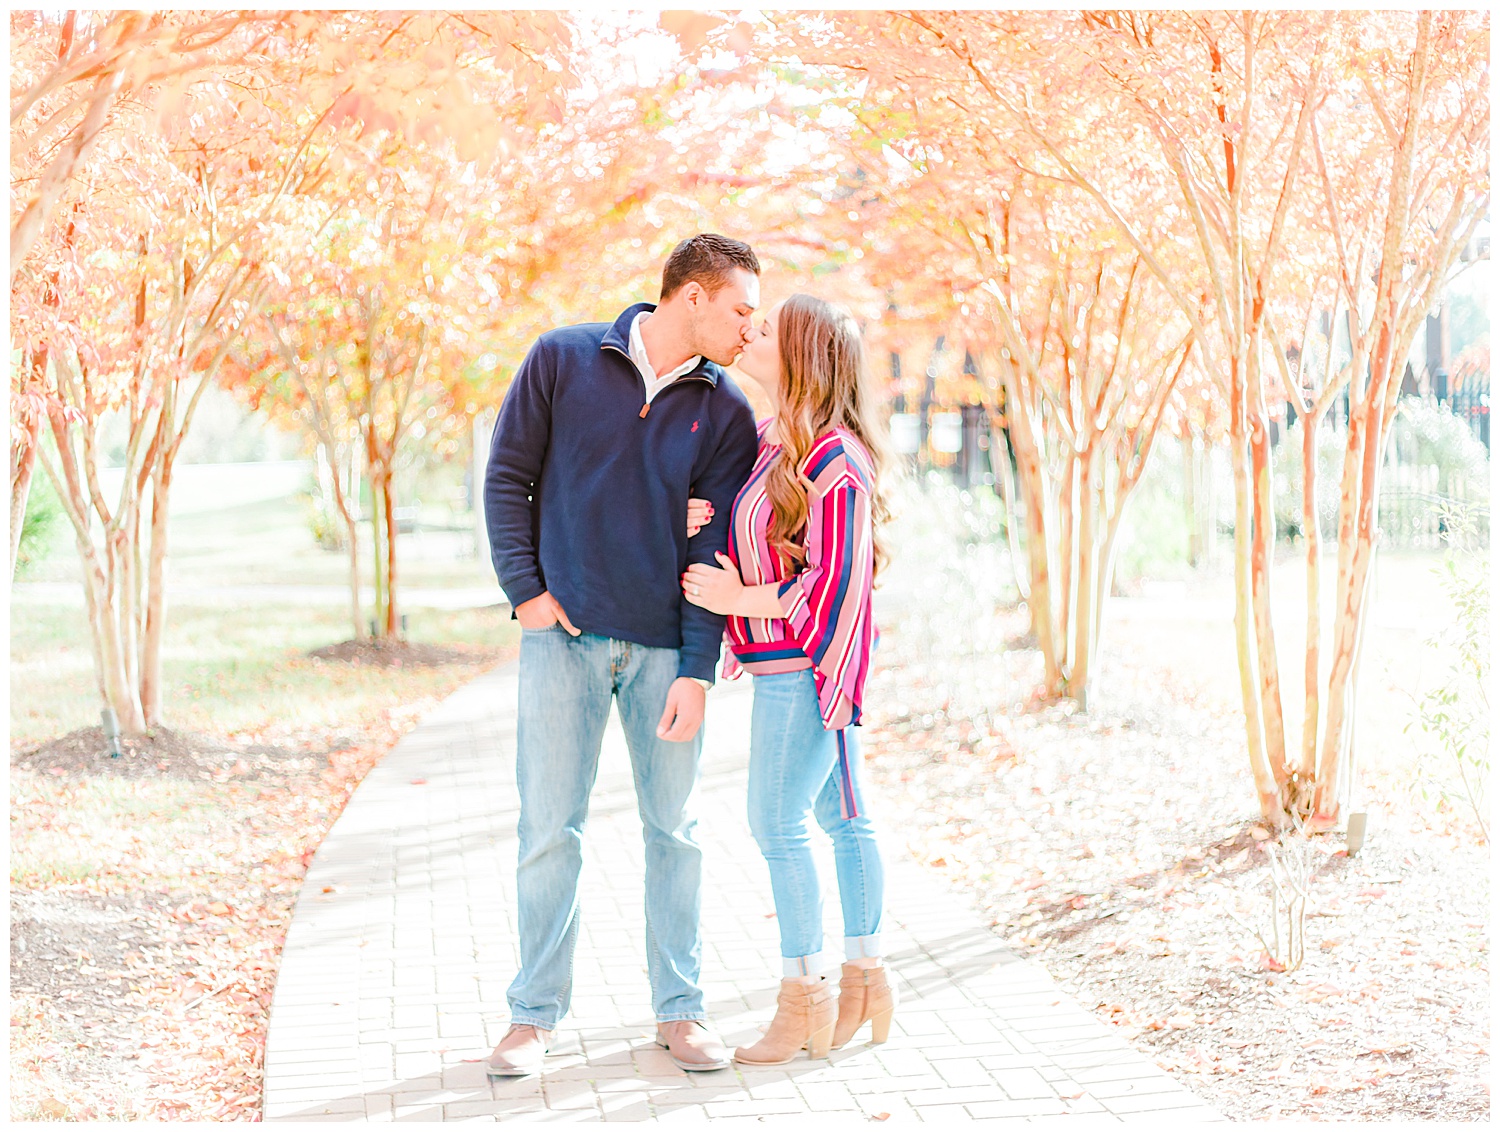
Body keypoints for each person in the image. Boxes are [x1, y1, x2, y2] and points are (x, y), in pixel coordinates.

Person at [483, 235, 761, 1076]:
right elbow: (506, 478)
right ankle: (532, 1018)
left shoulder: (728, 413)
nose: (751, 329)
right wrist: (526, 593)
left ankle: (681, 1013)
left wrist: (696, 671)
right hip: (561, 644)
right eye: (741, 311)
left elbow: (713, 556)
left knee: (675, 832)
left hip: (661, 655)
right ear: (692, 299)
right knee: (547, 831)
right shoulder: (563, 360)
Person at [682, 293, 895, 1064]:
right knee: (841, 818)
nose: (750, 332)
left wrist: (740, 598)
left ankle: (804, 999)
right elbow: (770, 540)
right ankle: (866, 979)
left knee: (777, 823)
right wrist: (705, 518)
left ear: (801, 355)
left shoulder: (837, 458)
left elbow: (838, 584)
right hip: (783, 661)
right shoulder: (778, 442)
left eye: (765, 329)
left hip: (805, 666)